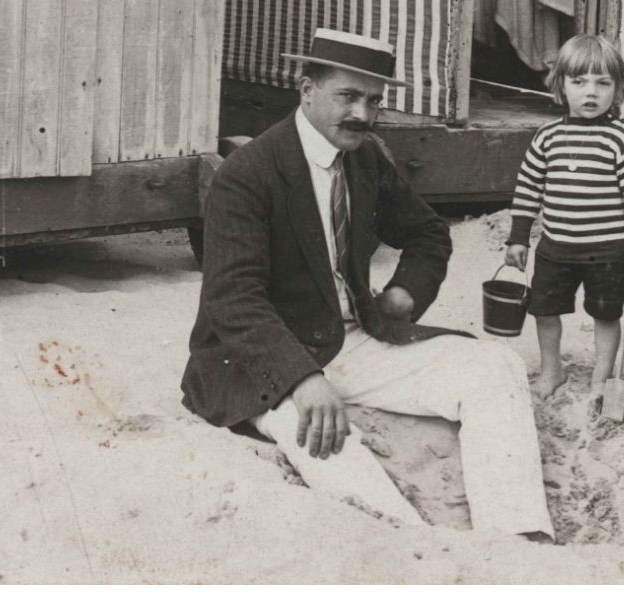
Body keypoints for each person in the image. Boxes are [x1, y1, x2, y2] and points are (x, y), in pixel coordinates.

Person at [181, 28, 554, 540]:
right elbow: (233, 300)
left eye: (373, 100)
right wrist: (303, 378)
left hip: (350, 338)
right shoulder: (247, 175)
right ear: (306, 89)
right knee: (323, 437)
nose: (362, 112)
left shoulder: (365, 156)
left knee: (495, 367)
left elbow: (426, 233)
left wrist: (404, 293)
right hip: (258, 357)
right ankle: (413, 554)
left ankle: (518, 541)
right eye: (347, 96)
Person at [502, 35, 624, 400]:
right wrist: (519, 237)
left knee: (606, 314)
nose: (591, 93)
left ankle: (601, 377)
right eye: (579, 82)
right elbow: (528, 189)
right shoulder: (546, 137)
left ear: (617, 90)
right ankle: (552, 369)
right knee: (544, 310)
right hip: (556, 249)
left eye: (603, 83)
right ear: (560, 86)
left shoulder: (621, 139)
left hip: (607, 252)